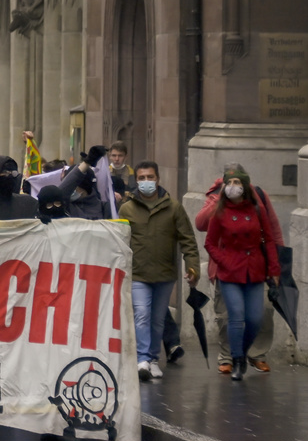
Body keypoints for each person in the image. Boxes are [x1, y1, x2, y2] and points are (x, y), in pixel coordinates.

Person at [195, 163, 284, 374]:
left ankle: (253, 353)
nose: (233, 186)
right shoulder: (217, 200)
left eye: (238, 182)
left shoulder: (258, 200)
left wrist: (275, 267)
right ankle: (232, 358)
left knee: (258, 315)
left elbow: (272, 232)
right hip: (226, 269)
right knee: (229, 316)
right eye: (229, 182)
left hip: (254, 268)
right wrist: (219, 196)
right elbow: (201, 225)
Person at [118, 161, 199, 382]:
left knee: (157, 320)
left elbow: (188, 240)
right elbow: (118, 241)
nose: (146, 182)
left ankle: (153, 359)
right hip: (138, 274)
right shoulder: (127, 209)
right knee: (142, 314)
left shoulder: (173, 208)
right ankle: (142, 358)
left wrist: (193, 267)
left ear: (158, 179)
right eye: (142, 178)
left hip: (164, 274)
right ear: (137, 181)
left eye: (150, 177)